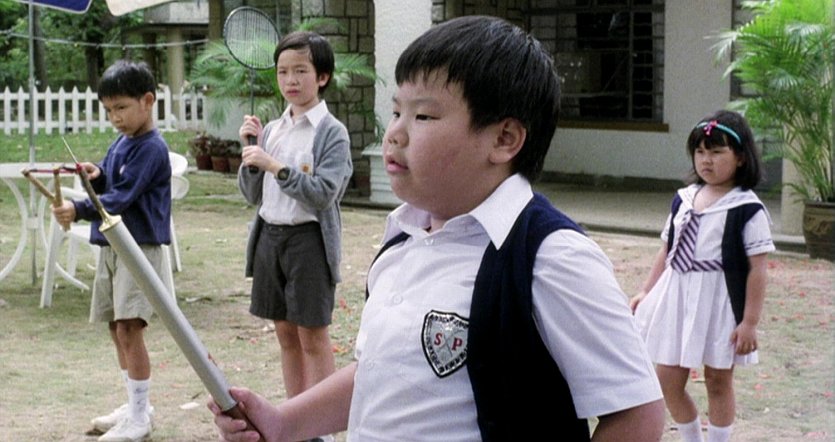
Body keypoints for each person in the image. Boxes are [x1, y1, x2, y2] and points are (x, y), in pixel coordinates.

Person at [210, 16, 665, 441]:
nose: (395, 134)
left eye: (423, 116)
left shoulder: (550, 257)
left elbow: (637, 414)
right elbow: (384, 372)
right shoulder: (403, 237)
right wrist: (285, 422)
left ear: (504, 139)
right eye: (396, 113)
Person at [629, 110, 774, 442]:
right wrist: (647, 290)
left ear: (740, 157)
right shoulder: (683, 200)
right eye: (700, 151)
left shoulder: (747, 209)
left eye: (717, 152)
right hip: (677, 297)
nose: (706, 160)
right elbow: (667, 250)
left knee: (718, 380)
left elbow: (758, 268)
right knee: (667, 379)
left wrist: (749, 321)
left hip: (718, 302)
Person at [235, 29, 352, 439]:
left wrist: (274, 165)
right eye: (283, 71)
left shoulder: (331, 132)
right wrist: (251, 149)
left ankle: (325, 428)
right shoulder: (272, 129)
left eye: (300, 70)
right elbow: (252, 195)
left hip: (308, 242)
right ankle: (295, 424)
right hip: (270, 238)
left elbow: (323, 194)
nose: (290, 80)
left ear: (322, 77)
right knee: (285, 334)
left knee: (313, 336)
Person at [53, 60, 171, 442]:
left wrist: (78, 208)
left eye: (121, 107)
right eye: (108, 110)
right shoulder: (123, 141)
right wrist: (97, 173)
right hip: (112, 244)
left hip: (139, 248)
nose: (115, 117)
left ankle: (139, 417)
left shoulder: (152, 148)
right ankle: (136, 405)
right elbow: (112, 177)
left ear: (147, 101)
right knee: (115, 327)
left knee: (130, 327)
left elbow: (122, 196)